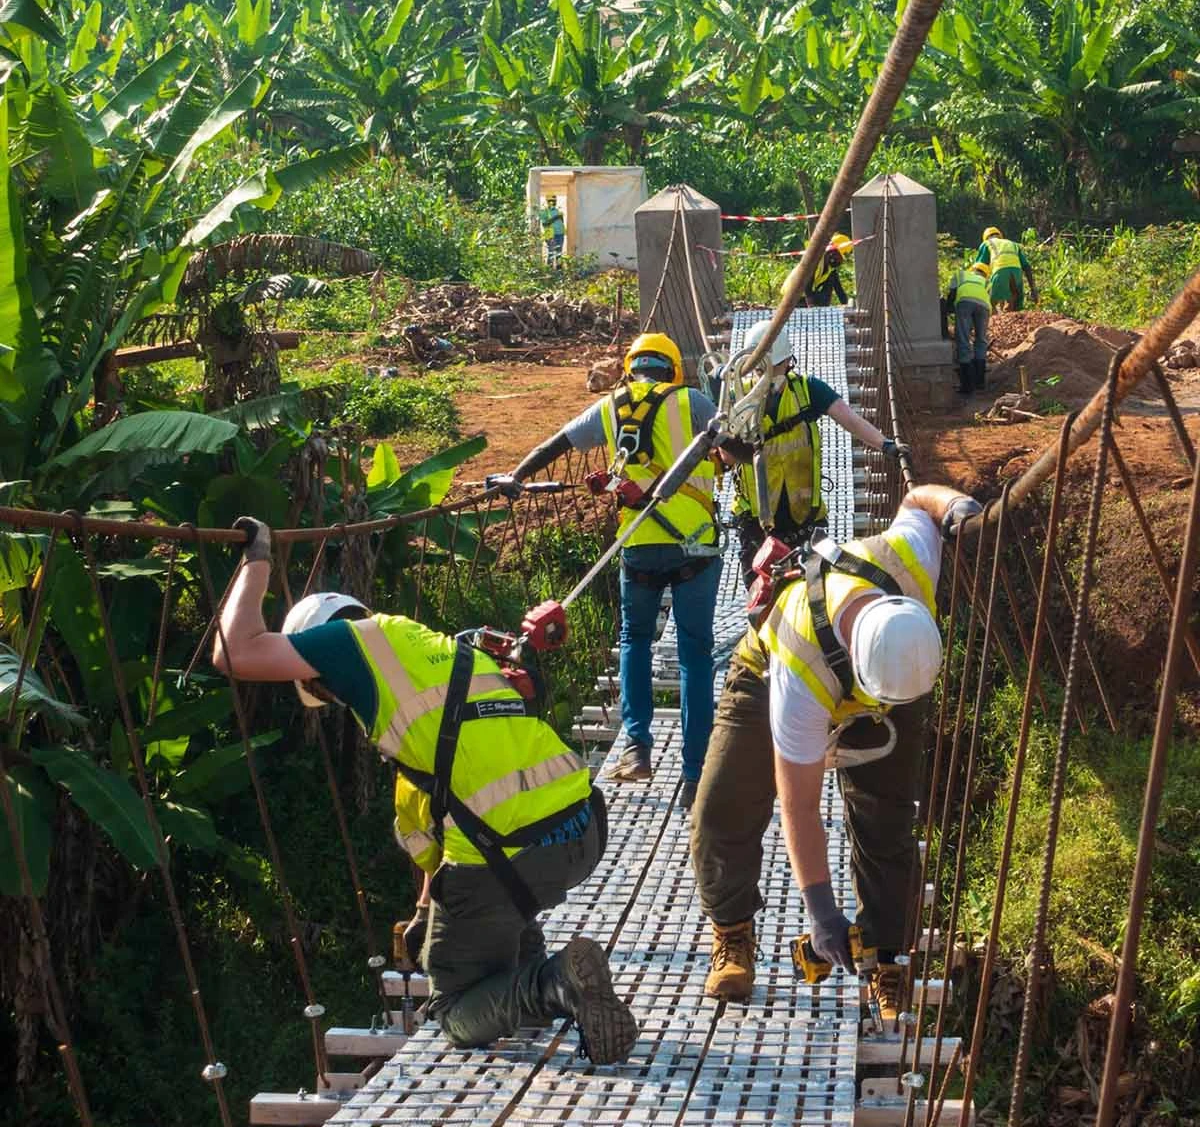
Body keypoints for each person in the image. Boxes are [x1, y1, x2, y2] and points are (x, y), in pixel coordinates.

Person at [209, 526, 638, 1064]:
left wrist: (258, 557)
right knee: (482, 894)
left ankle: (555, 983)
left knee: (454, 1010)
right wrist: (424, 912)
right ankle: (527, 962)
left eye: (319, 686)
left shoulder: (349, 646)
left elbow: (234, 652)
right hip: (586, 828)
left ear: (319, 660)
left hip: (517, 858)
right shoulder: (439, 654)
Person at [691, 483, 981, 1016]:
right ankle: (732, 932)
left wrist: (954, 506)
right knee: (721, 805)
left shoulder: (911, 562)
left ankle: (885, 956)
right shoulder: (801, 672)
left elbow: (917, 498)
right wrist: (820, 911)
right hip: (767, 668)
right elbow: (799, 806)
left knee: (887, 817)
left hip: (893, 688)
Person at [492, 332, 723, 810]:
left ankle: (637, 746)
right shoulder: (694, 402)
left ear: (630, 367)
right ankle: (697, 771)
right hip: (695, 547)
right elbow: (735, 441)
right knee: (694, 656)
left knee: (635, 641)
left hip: (637, 545)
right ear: (673, 368)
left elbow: (557, 443)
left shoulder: (611, 406)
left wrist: (517, 475)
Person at [728, 318, 910, 583]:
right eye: (765, 368)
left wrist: (886, 445)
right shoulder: (735, 399)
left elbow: (849, 419)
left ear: (789, 361)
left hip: (804, 518)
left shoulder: (807, 390)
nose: (772, 374)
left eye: (778, 367)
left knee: (815, 591)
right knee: (763, 598)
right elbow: (724, 455)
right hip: (756, 521)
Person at [946, 259, 991, 396]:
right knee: (981, 340)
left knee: (963, 339)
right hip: (984, 306)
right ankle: (980, 381)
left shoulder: (961, 274)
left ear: (973, 269)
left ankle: (967, 385)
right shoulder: (986, 282)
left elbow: (952, 294)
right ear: (985, 274)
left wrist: (948, 309)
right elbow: (986, 298)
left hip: (964, 302)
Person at [977, 226, 1038, 312]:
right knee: (1014, 305)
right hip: (1017, 273)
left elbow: (979, 268)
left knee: (989, 305)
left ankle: (992, 322)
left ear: (986, 238)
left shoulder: (987, 243)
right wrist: (1033, 289)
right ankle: (1011, 317)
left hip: (1000, 272)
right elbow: (1026, 267)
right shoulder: (1013, 244)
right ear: (1000, 236)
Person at [806, 233, 853, 307]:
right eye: (840, 257)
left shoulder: (830, 268)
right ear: (833, 252)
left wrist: (846, 304)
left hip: (807, 294)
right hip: (795, 295)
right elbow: (806, 283)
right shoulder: (815, 260)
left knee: (830, 281)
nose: (841, 261)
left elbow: (838, 288)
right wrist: (810, 305)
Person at [540, 196, 565, 268]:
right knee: (551, 253)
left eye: (554, 201)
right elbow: (544, 224)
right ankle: (549, 270)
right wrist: (555, 217)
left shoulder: (558, 211)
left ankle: (559, 269)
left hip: (560, 234)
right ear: (547, 202)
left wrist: (560, 218)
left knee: (559, 253)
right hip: (551, 236)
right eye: (551, 201)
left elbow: (561, 222)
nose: (553, 202)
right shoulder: (544, 212)